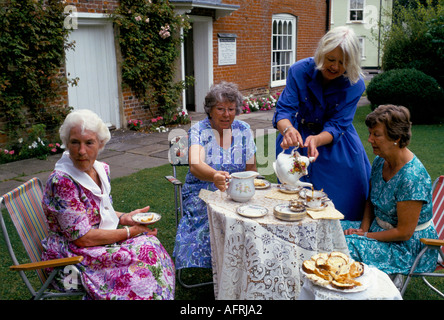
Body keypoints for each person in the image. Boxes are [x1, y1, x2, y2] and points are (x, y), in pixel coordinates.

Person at [41, 109, 175, 300]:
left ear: (100, 144)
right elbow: (82, 238)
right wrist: (131, 231)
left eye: (89, 143)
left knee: (151, 245)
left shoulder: (99, 170)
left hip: (92, 245)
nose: (81, 151)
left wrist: (124, 217)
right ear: (66, 143)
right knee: (142, 263)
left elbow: (98, 212)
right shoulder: (63, 181)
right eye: (75, 142)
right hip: (70, 261)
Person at [272, 26, 371, 221]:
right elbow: (284, 110)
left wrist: (316, 140)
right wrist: (288, 129)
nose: (335, 67)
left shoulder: (355, 84)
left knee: (344, 205)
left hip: (337, 147)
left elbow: (338, 125)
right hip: (297, 143)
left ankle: (341, 248)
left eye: (343, 62)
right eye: (331, 59)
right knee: (294, 205)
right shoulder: (299, 70)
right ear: (321, 53)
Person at [343, 104, 438, 275]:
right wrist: (363, 229)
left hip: (407, 250)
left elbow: (404, 233)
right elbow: (370, 201)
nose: (370, 139)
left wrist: (363, 237)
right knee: (332, 228)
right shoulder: (381, 161)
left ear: (397, 137)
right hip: (378, 230)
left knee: (345, 244)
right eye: (370, 133)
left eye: (376, 135)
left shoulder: (412, 177)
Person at [173, 81, 257, 270]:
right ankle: (226, 266)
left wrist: (249, 185)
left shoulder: (243, 130)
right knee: (217, 218)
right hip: (202, 191)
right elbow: (195, 165)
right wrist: (214, 176)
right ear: (210, 110)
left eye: (231, 109)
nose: (226, 114)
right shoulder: (199, 130)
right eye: (220, 109)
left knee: (256, 215)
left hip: (238, 191)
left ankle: (247, 264)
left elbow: (252, 169)